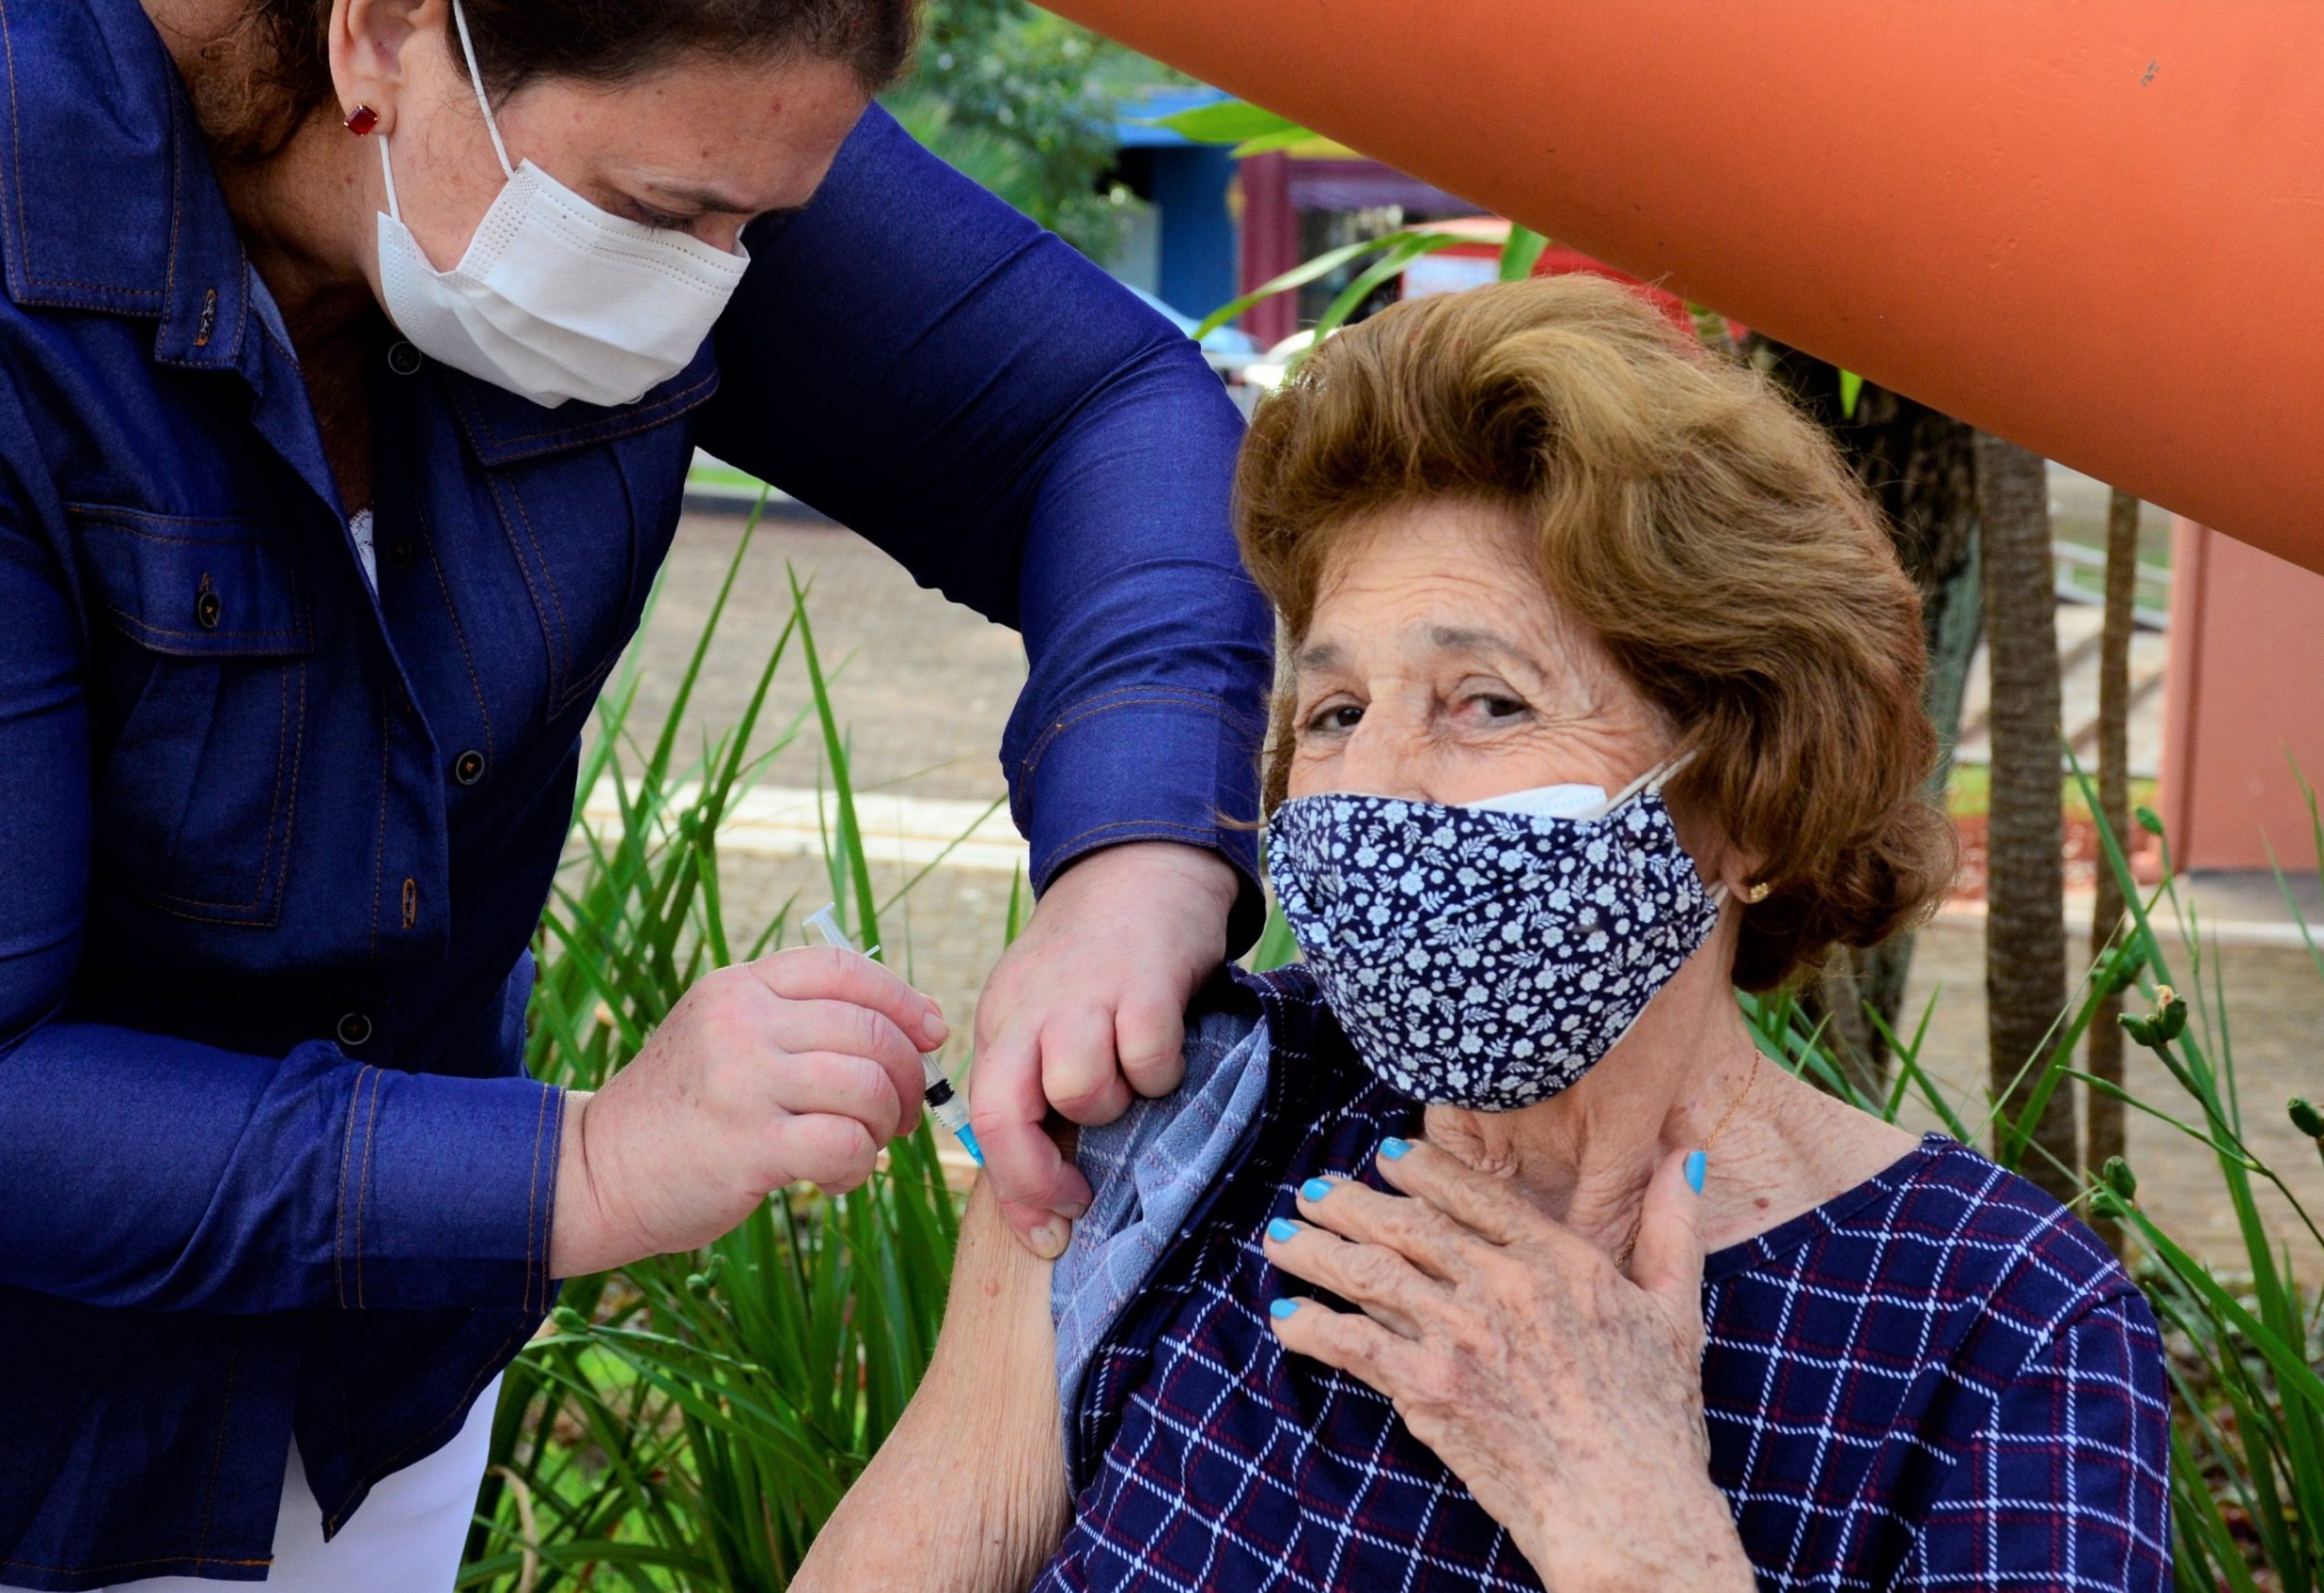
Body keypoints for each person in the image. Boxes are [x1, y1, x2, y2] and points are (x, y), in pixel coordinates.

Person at [0, 0, 1272, 1587]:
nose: (715, 281)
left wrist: (1140, 863)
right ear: (381, 36)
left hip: (375, 1394)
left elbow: (1103, 410)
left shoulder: (682, 111)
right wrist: (583, 1168)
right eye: (662, 219)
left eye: (760, 224)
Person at [796, 277, 2175, 1591]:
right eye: (1334, 715)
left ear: (1747, 791)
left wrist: (1641, 1542)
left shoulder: (1999, 1328)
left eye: (1487, 703)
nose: (1375, 786)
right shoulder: (1187, 1117)